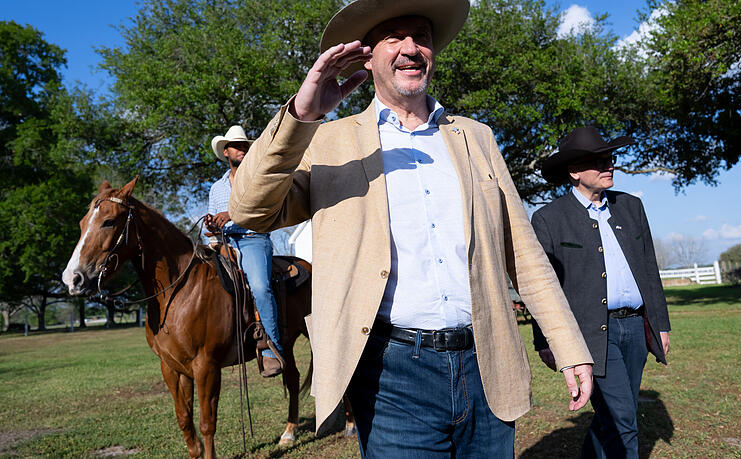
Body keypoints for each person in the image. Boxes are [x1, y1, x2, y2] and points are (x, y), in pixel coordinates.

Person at [229, 0, 594, 456]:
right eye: (394, 37)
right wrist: (302, 114)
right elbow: (248, 209)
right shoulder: (327, 141)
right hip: (391, 373)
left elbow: (522, 250)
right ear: (367, 56)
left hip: (487, 361)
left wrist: (568, 342)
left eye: (420, 35)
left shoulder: (476, 136)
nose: (411, 48)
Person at [530, 126, 672, 458]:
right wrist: (544, 340)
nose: (608, 165)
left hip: (636, 328)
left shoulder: (631, 207)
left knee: (615, 414)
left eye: (610, 158)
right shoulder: (549, 219)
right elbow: (539, 286)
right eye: (597, 161)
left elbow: (650, 269)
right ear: (574, 171)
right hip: (590, 334)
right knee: (623, 419)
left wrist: (660, 323)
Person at [205, 125, 284, 378]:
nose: (242, 149)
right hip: (223, 243)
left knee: (260, 287)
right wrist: (210, 224)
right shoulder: (216, 188)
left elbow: (264, 211)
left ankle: (271, 349)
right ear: (225, 152)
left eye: (244, 145)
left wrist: (231, 214)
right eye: (236, 146)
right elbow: (212, 217)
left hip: (253, 238)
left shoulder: (257, 178)